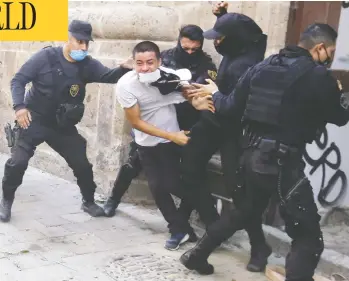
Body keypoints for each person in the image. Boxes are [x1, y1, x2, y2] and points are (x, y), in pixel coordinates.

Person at [180, 23, 349, 281]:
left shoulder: (261, 67)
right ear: (320, 47)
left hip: (250, 157)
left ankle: (197, 255)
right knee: (308, 238)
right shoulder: (318, 77)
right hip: (282, 164)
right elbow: (340, 118)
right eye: (331, 51)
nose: (329, 57)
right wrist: (340, 93)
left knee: (245, 210)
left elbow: (227, 107)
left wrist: (215, 93)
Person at [0, 20, 133, 223]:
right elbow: (18, 80)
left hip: (62, 126)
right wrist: (20, 107)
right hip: (33, 120)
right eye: (79, 41)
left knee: (82, 164)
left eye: (87, 43)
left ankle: (88, 201)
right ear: (67, 38)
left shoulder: (86, 64)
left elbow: (107, 76)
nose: (83, 47)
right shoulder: (45, 57)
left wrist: (124, 68)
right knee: (17, 162)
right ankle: (6, 200)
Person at [179, 1, 271, 273]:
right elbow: (255, 34)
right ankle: (212, 223)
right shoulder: (242, 46)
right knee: (189, 167)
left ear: (235, 40)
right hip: (212, 119)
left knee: (239, 193)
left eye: (220, 37)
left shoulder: (247, 64)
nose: (215, 42)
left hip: (231, 128)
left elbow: (232, 106)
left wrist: (209, 96)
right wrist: (221, 17)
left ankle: (258, 246)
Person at [103, 24, 218, 224]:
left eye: (194, 48)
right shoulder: (164, 57)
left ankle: (188, 218)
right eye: (186, 47)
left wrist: (188, 89)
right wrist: (138, 68)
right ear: (179, 42)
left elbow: (201, 88)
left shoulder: (205, 64)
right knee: (133, 162)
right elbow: (145, 73)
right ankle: (113, 199)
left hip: (187, 121)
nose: (190, 52)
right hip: (154, 121)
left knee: (185, 175)